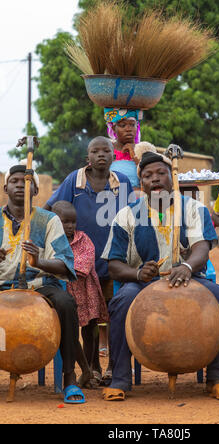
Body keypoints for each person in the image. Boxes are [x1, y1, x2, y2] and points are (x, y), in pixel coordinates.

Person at [101, 150, 219, 402]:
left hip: (190, 278)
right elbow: (115, 265)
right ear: (141, 183)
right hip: (143, 284)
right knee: (121, 303)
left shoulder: (194, 208)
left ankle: (216, 378)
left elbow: (202, 249)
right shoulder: (126, 215)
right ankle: (120, 378)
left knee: (218, 294)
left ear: (172, 178)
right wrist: (138, 273)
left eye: (161, 173)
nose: (155, 179)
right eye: (148, 175)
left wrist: (186, 266)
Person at [44, 136, 134, 385]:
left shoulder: (122, 182)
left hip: (114, 261)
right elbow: (51, 208)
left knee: (115, 315)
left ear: (113, 156)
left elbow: (133, 216)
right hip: (81, 265)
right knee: (90, 319)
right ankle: (92, 365)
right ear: (88, 157)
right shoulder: (74, 181)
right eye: (95, 151)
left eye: (106, 150)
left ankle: (115, 367)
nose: (101, 155)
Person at [0, 164, 85, 404]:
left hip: (39, 285)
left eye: (26, 182)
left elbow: (65, 263)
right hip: (2, 286)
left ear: (36, 190)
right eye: (15, 181)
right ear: (6, 187)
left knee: (66, 303)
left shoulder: (49, 220)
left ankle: (69, 378)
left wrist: (39, 260)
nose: (20, 185)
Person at [52, 200, 109, 387]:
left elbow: (83, 265)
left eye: (73, 222)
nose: (70, 226)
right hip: (64, 293)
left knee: (90, 330)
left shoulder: (83, 239)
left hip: (87, 292)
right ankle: (82, 370)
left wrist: (58, 268)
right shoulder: (50, 240)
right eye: (64, 222)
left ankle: (92, 368)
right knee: (69, 331)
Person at [104, 108, 143, 191]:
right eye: (123, 125)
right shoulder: (106, 150)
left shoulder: (143, 150)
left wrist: (135, 155)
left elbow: (150, 176)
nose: (128, 129)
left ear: (137, 126)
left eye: (132, 125)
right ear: (114, 128)